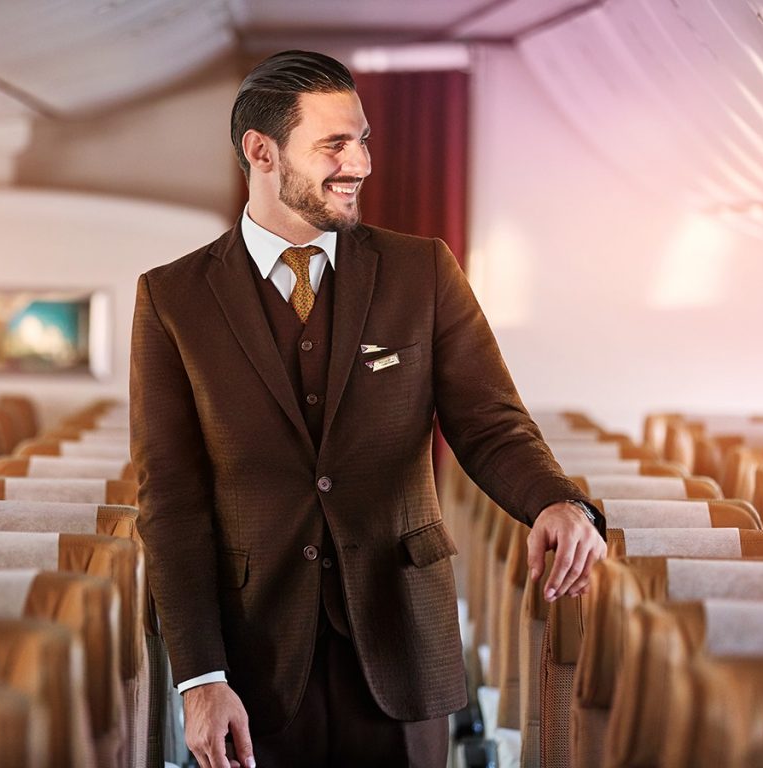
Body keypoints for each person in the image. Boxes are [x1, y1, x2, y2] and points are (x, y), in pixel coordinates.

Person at [130, 49, 606, 768]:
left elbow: (489, 423)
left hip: (401, 638)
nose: (360, 164)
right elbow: (170, 499)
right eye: (334, 145)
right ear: (261, 151)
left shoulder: (422, 270)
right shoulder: (173, 299)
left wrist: (557, 501)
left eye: (364, 140)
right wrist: (200, 678)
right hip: (256, 657)